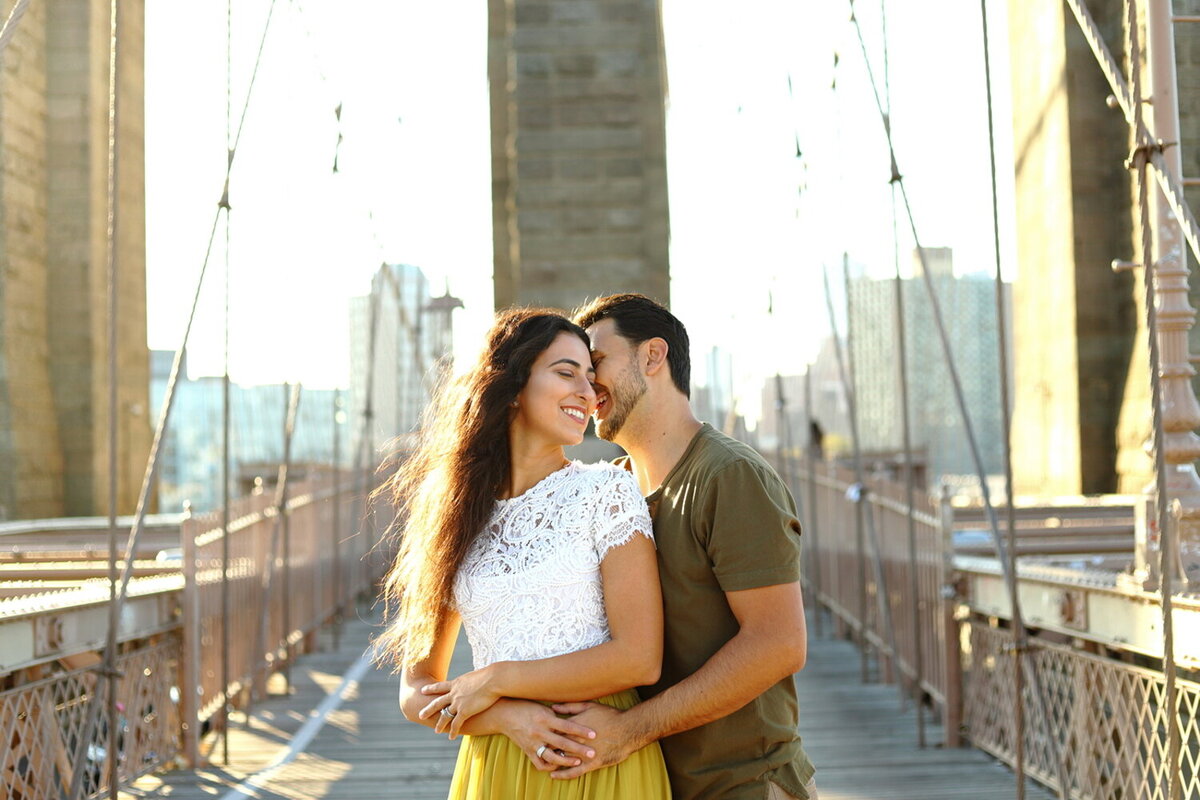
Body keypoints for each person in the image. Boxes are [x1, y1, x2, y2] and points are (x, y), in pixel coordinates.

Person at [378, 308, 672, 800]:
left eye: (591, 376)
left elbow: (641, 658)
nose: (588, 391)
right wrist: (507, 716)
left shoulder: (607, 492)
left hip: (593, 757)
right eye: (566, 372)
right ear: (513, 386)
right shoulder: (453, 514)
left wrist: (497, 679)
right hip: (497, 762)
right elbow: (416, 689)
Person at [546, 293, 818, 800]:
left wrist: (628, 731)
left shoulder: (730, 476)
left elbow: (779, 642)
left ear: (652, 356)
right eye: (575, 371)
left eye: (597, 362)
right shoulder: (611, 491)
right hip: (643, 784)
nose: (586, 385)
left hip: (740, 784)